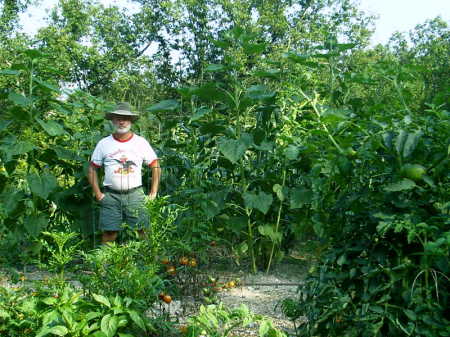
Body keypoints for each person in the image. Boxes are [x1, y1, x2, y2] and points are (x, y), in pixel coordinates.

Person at [87, 102, 161, 244]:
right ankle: (104, 265)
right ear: (113, 120)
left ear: (131, 121)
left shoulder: (140, 143)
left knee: (143, 230)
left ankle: (148, 263)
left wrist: (153, 192)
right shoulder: (104, 144)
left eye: (125, 118)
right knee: (109, 233)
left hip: (135, 195)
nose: (122, 121)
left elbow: (156, 165)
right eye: (118, 118)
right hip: (110, 195)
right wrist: (98, 194)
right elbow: (92, 168)